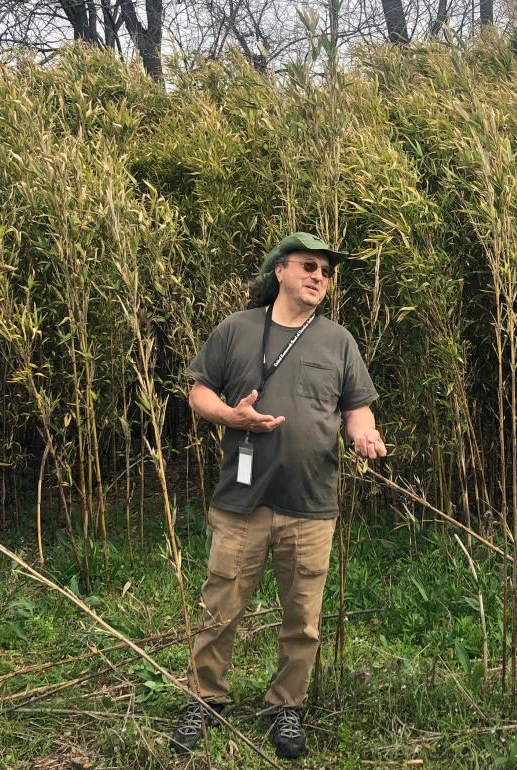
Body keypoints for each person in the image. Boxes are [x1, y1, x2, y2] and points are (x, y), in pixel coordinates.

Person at [171, 233, 387, 759]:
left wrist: (363, 433)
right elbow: (197, 388)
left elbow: (356, 405)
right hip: (241, 499)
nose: (319, 277)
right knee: (220, 606)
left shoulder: (338, 340)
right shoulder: (237, 329)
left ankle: (286, 706)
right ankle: (205, 698)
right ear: (280, 272)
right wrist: (229, 415)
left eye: (327, 272)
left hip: (311, 503)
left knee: (303, 618)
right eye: (309, 266)